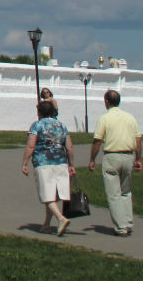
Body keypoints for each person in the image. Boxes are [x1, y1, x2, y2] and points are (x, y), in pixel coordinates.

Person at [87, 89, 141, 237]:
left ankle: (121, 227)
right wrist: (138, 158)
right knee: (126, 191)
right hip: (128, 156)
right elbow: (138, 140)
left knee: (113, 193)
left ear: (106, 102)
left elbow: (97, 140)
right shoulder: (130, 118)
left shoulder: (105, 118)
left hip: (112, 156)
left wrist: (92, 159)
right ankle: (128, 222)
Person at [21, 99, 74, 236]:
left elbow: (31, 145)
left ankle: (61, 219)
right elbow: (69, 146)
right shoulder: (61, 125)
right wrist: (71, 164)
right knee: (54, 195)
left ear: (39, 112)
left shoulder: (37, 126)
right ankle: (46, 224)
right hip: (61, 162)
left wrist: (25, 162)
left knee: (47, 195)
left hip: (43, 163)